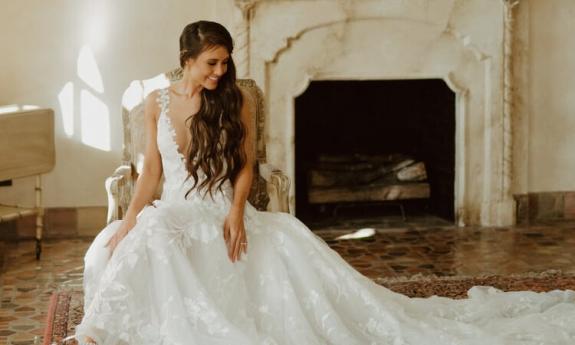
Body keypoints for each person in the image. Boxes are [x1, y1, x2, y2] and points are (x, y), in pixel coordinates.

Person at [75, 20, 575, 345]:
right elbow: (152, 173)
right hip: (173, 209)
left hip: (219, 208)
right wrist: (129, 218)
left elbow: (247, 165)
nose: (221, 71)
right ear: (186, 58)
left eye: (226, 62)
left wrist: (234, 213)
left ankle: (92, 336)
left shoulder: (236, 100)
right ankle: (95, 333)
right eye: (212, 63)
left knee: (160, 238)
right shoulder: (157, 104)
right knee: (133, 239)